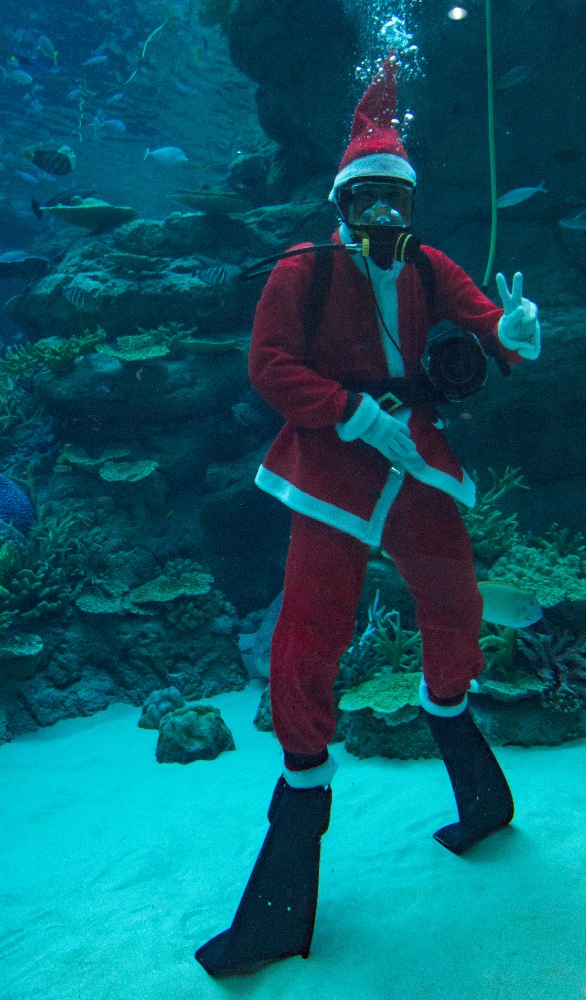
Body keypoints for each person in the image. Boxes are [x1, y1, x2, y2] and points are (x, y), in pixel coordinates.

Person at [195, 53, 542, 978]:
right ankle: (302, 794)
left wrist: (511, 338)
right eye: (366, 201)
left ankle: (459, 741)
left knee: (456, 603)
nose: (382, 218)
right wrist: (351, 414)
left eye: (396, 199)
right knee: (311, 628)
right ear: (341, 207)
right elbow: (269, 367)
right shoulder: (300, 274)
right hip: (331, 469)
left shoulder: (431, 266)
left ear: (413, 206)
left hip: (417, 460)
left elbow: (479, 323)